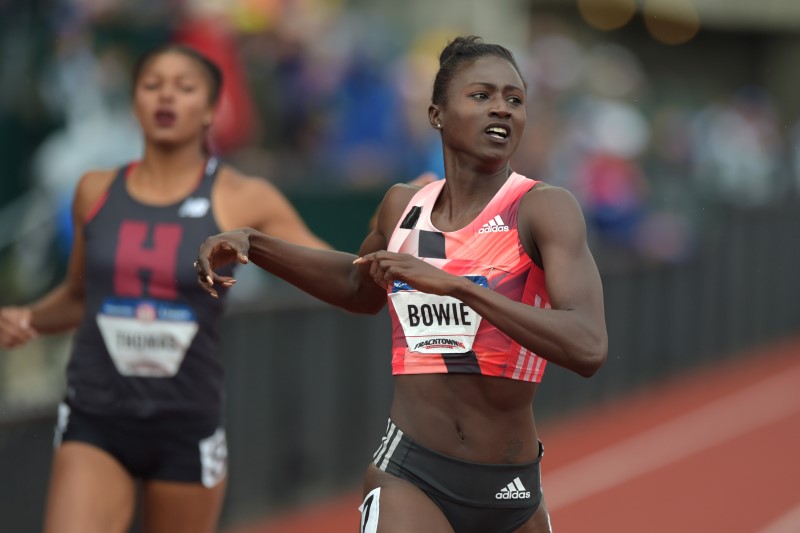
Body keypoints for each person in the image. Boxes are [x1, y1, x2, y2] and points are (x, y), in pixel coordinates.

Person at [196, 36, 607, 533]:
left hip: (509, 487)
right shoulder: (402, 208)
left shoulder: (543, 209)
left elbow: (588, 346)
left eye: (514, 99)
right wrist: (256, 244)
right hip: (412, 474)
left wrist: (459, 288)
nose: (501, 108)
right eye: (481, 95)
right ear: (437, 114)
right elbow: (355, 286)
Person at [0, 44, 327, 533]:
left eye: (184, 86)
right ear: (134, 102)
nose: (165, 96)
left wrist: (393, 226)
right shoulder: (94, 190)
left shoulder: (243, 196)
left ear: (211, 109)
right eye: (152, 85)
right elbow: (77, 295)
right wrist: (27, 319)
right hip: (97, 414)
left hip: (186, 423)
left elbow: (331, 268)